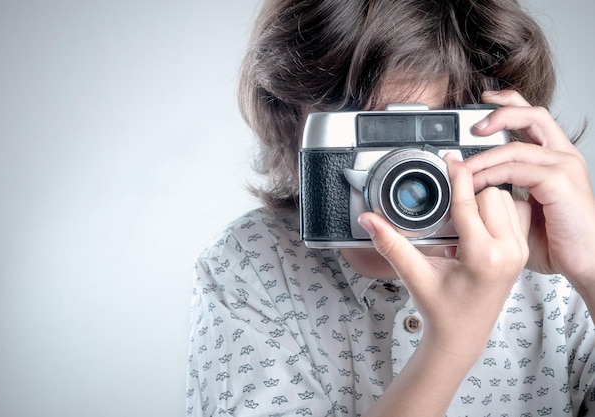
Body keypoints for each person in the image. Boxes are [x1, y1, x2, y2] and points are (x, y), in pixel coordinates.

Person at [186, 0, 595, 416]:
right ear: (294, 127)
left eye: (434, 134)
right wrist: (450, 346)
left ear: (502, 134)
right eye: (366, 133)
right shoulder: (253, 263)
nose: (402, 176)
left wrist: (591, 269)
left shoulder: (557, 268)